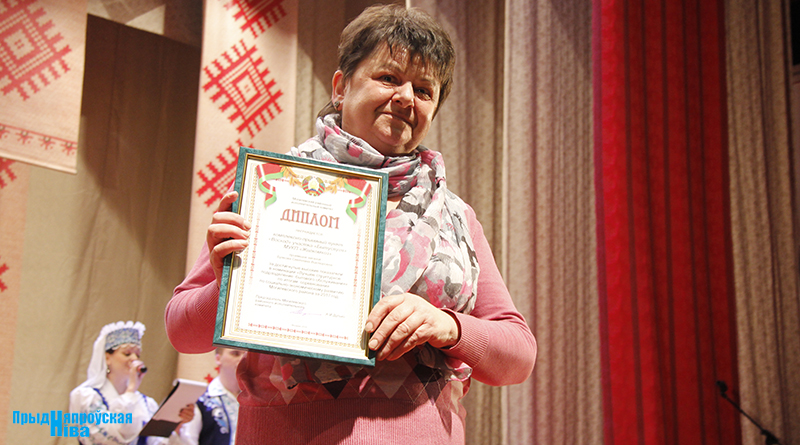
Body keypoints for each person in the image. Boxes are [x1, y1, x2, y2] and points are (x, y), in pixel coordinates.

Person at [166, 5, 536, 444]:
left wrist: (448, 326)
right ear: (341, 87)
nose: (406, 97)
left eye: (424, 90)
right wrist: (229, 281)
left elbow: (518, 354)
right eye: (388, 78)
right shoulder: (272, 189)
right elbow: (182, 331)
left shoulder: (455, 216)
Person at [69, 321, 195, 445]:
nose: (134, 359)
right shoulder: (86, 396)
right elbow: (108, 437)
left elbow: (156, 442)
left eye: (137, 355)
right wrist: (131, 390)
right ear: (107, 358)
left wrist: (177, 424)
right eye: (127, 354)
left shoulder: (146, 403)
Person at [182, 348, 245, 445]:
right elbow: (188, 440)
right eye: (235, 354)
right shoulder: (201, 400)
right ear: (218, 359)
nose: (242, 359)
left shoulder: (255, 399)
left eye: (246, 355)